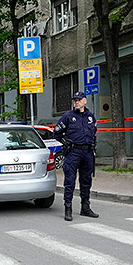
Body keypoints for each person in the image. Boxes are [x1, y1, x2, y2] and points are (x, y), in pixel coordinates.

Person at [54, 91, 99, 221]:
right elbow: (56, 133)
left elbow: (94, 132)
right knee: (70, 181)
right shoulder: (68, 116)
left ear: (85, 101)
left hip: (87, 153)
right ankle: (68, 208)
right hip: (73, 152)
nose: (76, 102)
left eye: (79, 100)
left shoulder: (91, 117)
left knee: (86, 181)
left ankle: (85, 207)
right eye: (75, 100)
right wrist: (65, 142)